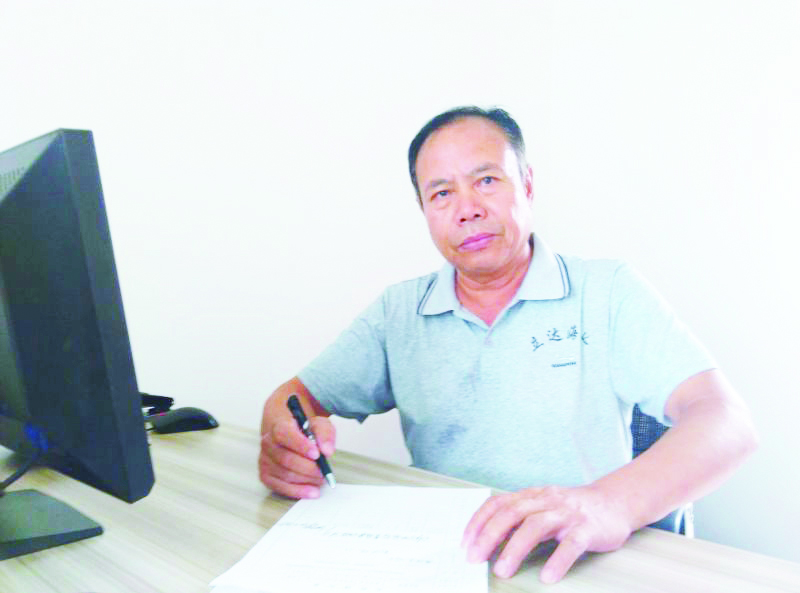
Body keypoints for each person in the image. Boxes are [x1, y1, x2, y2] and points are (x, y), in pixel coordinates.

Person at [259, 106, 758, 584]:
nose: (468, 210)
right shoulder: (398, 312)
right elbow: (294, 397)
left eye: (486, 181)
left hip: (574, 564)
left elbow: (727, 421)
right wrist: (285, 443)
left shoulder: (606, 291)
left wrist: (610, 503)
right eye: (441, 194)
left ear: (528, 185)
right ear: (424, 211)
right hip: (450, 562)